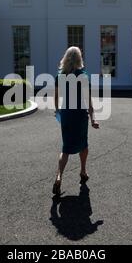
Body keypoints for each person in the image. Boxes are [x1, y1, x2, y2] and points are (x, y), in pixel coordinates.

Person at [53, 46, 100, 196]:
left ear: (66, 58)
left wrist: (58, 110)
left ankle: (59, 176)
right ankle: (83, 171)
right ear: (79, 58)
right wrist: (93, 118)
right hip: (79, 114)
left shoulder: (60, 75)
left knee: (66, 148)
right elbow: (88, 100)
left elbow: (55, 97)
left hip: (66, 113)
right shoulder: (83, 75)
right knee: (83, 144)